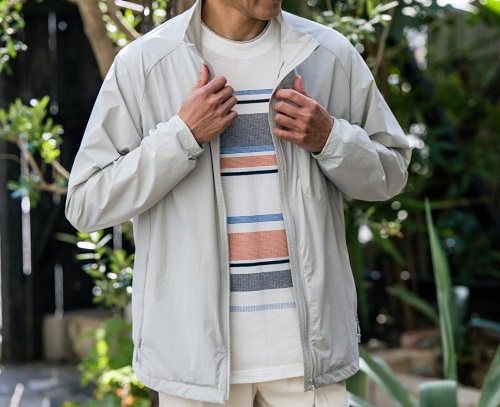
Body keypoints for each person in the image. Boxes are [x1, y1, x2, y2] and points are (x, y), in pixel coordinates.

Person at [65, 0, 411, 404]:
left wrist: (331, 138)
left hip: (307, 362)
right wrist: (181, 136)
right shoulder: (145, 64)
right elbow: (87, 202)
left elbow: (391, 173)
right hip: (195, 364)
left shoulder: (326, 54)